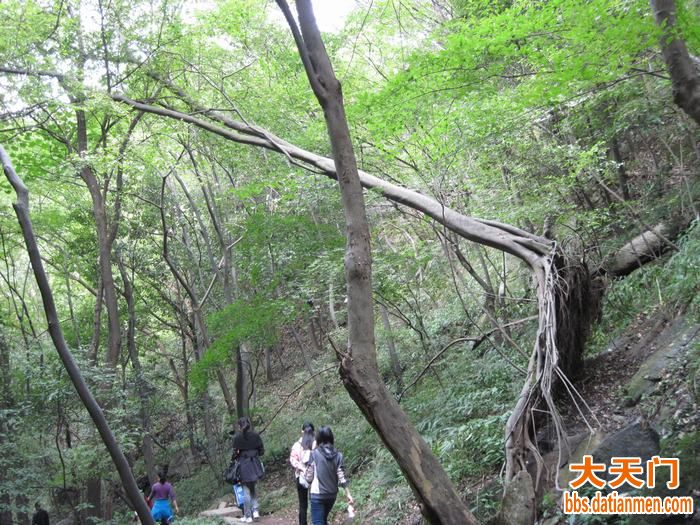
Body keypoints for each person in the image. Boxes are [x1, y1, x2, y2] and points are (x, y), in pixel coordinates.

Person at [308, 427, 353, 525]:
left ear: (318, 439)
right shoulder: (338, 455)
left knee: (318, 522)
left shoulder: (314, 454)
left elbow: (309, 476)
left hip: (317, 494)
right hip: (332, 495)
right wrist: (348, 493)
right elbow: (342, 476)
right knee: (323, 520)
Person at [232, 416, 265, 523]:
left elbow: (234, 455)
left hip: (244, 466)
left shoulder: (237, 438)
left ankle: (248, 515)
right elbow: (262, 451)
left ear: (240, 426)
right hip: (255, 465)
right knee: (253, 489)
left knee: (246, 491)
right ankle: (255, 511)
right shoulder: (256, 436)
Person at [289, 422, 315, 525]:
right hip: (315, 477)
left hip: (300, 477)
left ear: (302, 431)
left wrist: (301, 468)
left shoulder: (297, 445)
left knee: (303, 504)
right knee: (315, 503)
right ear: (313, 431)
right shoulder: (316, 444)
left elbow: (293, 460)